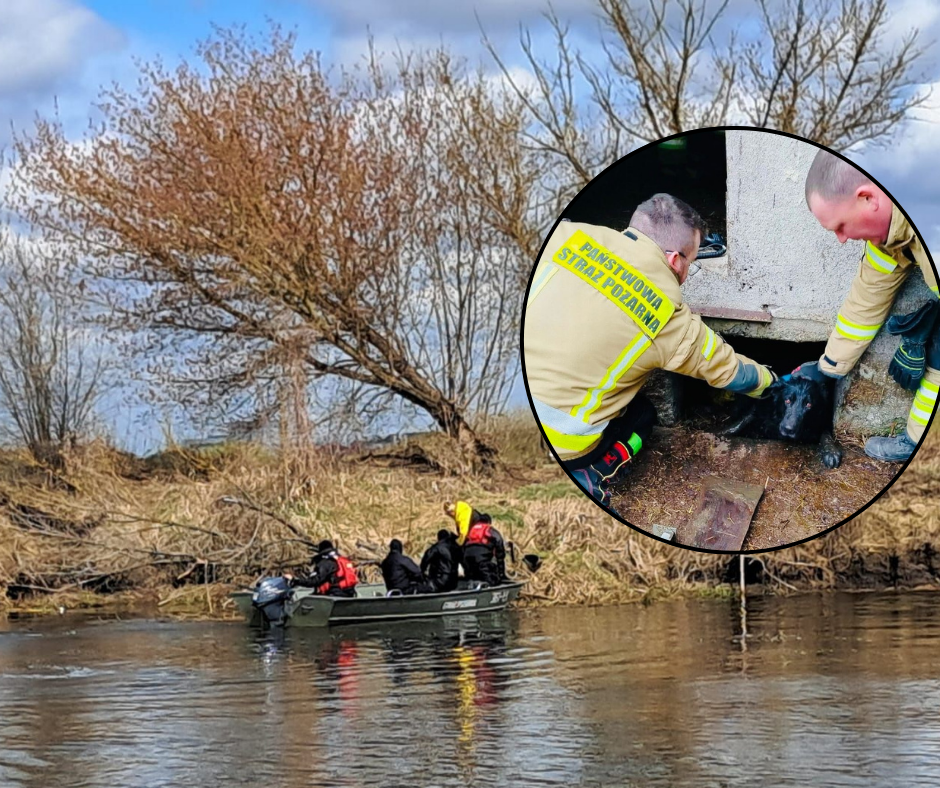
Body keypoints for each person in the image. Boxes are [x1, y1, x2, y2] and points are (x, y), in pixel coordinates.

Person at [523, 193, 776, 505]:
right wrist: (771, 383)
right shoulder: (669, 318)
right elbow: (730, 371)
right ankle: (596, 471)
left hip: (524, 409)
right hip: (564, 441)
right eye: (691, 263)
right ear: (673, 260)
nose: (686, 273)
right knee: (643, 415)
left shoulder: (563, 235)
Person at [802, 149, 939, 462]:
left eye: (840, 226)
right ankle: (916, 442)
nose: (840, 239)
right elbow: (868, 298)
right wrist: (829, 367)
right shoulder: (890, 233)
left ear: (868, 198)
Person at [285, 539, 358, 597]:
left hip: (334, 595)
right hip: (349, 593)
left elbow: (314, 581)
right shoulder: (342, 560)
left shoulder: (326, 563)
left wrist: (294, 580)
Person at [462, 512, 507, 587]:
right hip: (482, 562)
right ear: (489, 522)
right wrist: (501, 572)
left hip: (467, 562)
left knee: (472, 578)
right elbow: (499, 543)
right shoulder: (490, 530)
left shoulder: (470, 531)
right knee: (493, 581)